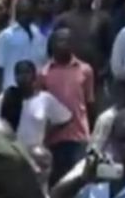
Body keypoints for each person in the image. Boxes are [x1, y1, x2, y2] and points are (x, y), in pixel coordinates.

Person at [39, 26, 95, 185]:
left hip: (78, 135)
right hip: (54, 137)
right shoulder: (44, 73)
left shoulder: (85, 70)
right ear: (53, 44)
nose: (64, 44)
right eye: (60, 40)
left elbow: (89, 103)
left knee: (78, 181)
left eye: (68, 41)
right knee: (56, 182)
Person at [0, 60, 71, 147]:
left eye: (27, 72)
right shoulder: (7, 96)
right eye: (19, 73)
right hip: (12, 149)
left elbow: (65, 119)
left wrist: (46, 136)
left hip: (34, 152)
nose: (23, 76)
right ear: (15, 78)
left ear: (34, 76)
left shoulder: (45, 99)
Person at [55, 0, 114, 104]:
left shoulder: (103, 18)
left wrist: (105, 70)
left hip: (96, 76)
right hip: (68, 75)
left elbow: (110, 48)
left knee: (93, 113)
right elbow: (54, 47)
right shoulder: (64, 19)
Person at [0, 0, 47, 95]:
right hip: (11, 93)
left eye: (27, 12)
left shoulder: (39, 36)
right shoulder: (5, 36)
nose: (25, 16)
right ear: (16, 14)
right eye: (21, 12)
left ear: (33, 13)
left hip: (36, 94)